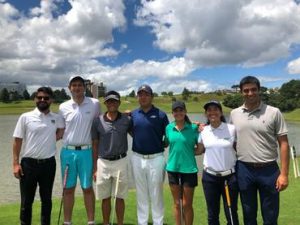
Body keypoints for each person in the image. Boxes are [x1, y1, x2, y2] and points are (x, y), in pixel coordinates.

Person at [229, 76, 290, 225]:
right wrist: (203, 128)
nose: (250, 93)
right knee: (248, 214)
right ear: (241, 92)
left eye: (253, 89)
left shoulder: (274, 112)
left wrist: (284, 174)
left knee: (270, 215)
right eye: (246, 90)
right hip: (244, 169)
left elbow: (284, 143)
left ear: (259, 90)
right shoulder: (234, 114)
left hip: (269, 170)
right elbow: (228, 137)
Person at [12, 87, 64, 225]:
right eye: (39, 97)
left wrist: (52, 139)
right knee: (26, 201)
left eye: (46, 98)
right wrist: (15, 164)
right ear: (35, 99)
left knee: (46, 200)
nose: (42, 100)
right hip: (28, 164)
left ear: (51, 100)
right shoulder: (25, 117)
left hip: (48, 164)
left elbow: (61, 131)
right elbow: (17, 140)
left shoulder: (56, 118)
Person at [59, 76, 101, 225]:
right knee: (68, 189)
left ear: (85, 87)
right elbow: (61, 130)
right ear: (69, 87)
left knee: (87, 188)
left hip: (87, 152)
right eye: (74, 85)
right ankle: (67, 222)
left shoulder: (94, 104)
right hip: (68, 152)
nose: (77, 88)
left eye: (80, 85)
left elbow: (99, 126)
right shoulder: (63, 107)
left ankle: (91, 222)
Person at [130, 84, 169, 225]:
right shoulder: (133, 114)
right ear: (138, 97)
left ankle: (158, 222)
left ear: (152, 96)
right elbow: (131, 131)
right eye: (140, 94)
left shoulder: (161, 115)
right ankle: (143, 222)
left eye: (146, 94)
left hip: (156, 158)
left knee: (156, 193)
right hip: (137, 157)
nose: (143, 97)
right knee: (141, 193)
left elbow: (168, 136)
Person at [91, 90, 132, 225]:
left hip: (121, 161)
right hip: (103, 162)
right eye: (109, 101)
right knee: (105, 197)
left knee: (120, 197)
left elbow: (138, 134)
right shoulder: (97, 121)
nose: (112, 103)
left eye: (114, 101)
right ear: (105, 103)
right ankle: (106, 222)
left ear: (119, 102)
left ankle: (120, 223)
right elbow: (95, 145)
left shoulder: (126, 120)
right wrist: (95, 169)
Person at [198, 100, 239, 225]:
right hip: (210, 178)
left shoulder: (232, 129)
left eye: (215, 109)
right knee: (212, 214)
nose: (212, 112)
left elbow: (239, 149)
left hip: (230, 178)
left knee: (231, 213)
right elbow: (199, 150)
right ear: (206, 114)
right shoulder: (203, 131)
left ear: (221, 112)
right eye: (209, 110)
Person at [165, 101, 199, 225]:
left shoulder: (194, 128)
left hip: (189, 169)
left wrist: (190, 153)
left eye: (181, 110)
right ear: (172, 113)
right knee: (177, 203)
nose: (178, 113)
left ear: (185, 111)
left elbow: (200, 148)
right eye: (176, 111)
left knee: (186, 204)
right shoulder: (168, 128)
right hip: (172, 168)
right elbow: (166, 143)